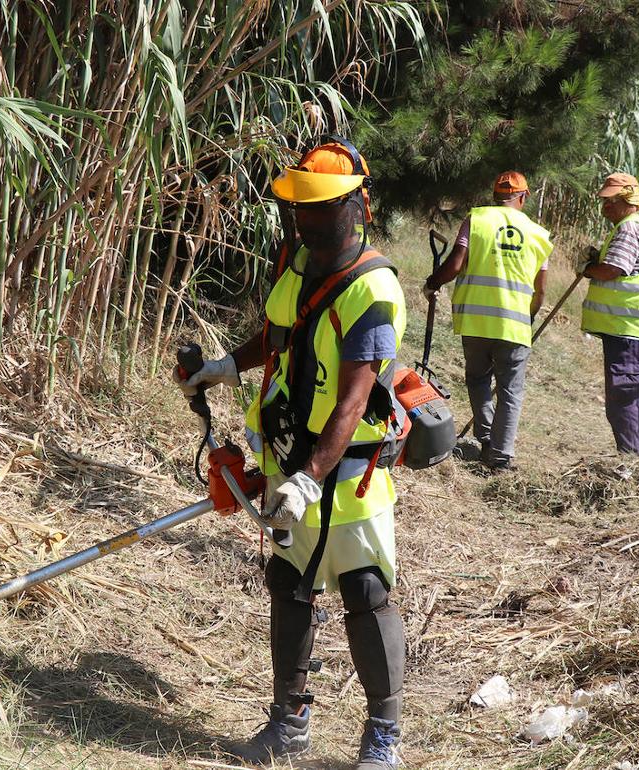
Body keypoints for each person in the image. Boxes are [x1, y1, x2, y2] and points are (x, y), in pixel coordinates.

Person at [176, 137, 406, 770]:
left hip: (347, 471)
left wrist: (311, 478)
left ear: (358, 206)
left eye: (322, 207)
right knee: (290, 584)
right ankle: (289, 722)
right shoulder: (297, 261)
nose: (307, 218)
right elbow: (280, 333)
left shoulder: (374, 288)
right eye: (301, 207)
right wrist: (225, 367)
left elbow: (354, 400)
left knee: (363, 591)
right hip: (287, 456)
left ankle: (383, 735)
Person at [421, 171, 553, 471]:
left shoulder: (477, 220)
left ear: (496, 196)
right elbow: (541, 290)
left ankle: (486, 438)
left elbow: (455, 264)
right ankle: (501, 455)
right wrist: (527, 318)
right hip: (515, 326)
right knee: (510, 389)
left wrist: (432, 283)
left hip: (476, 323)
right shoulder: (538, 235)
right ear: (523, 197)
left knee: (478, 379)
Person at [578, 173, 639, 455]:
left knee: (623, 396)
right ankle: (633, 454)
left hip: (626, 327)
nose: (604, 208)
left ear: (628, 200)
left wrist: (588, 269)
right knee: (630, 394)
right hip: (625, 328)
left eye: (611, 202)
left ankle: (631, 457)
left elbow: (614, 270)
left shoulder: (629, 228)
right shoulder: (631, 226)